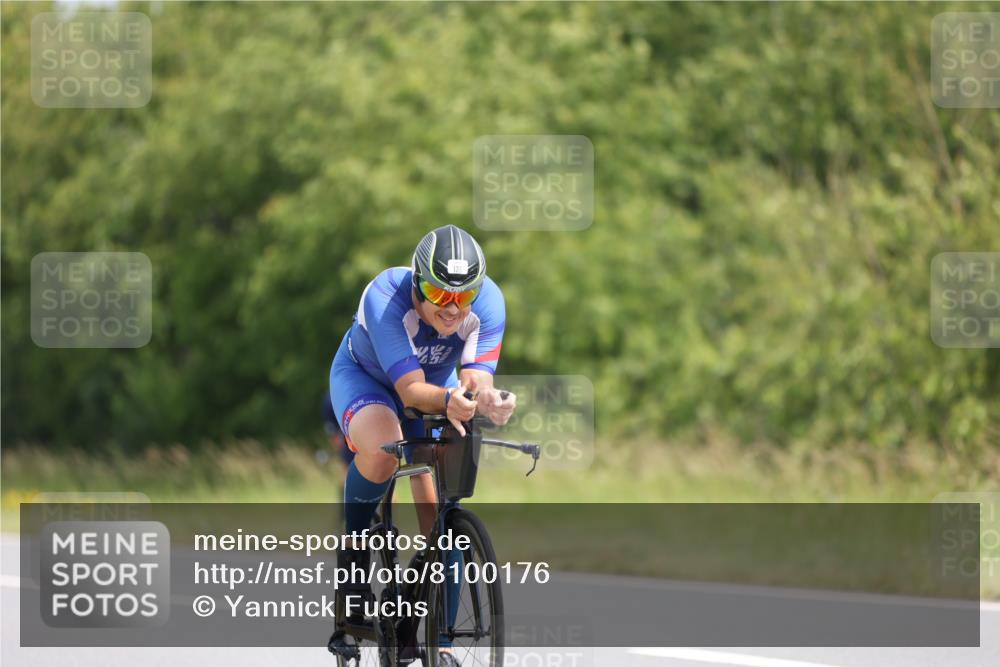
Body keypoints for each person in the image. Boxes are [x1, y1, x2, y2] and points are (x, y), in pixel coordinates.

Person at [328, 225, 516, 665]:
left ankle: (439, 639)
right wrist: (453, 399)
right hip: (368, 379)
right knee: (385, 447)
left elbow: (475, 376)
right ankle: (354, 548)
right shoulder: (385, 296)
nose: (451, 309)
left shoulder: (488, 302)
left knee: (441, 514)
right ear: (417, 281)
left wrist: (486, 398)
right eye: (438, 292)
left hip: (437, 384)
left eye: (463, 296)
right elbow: (411, 392)